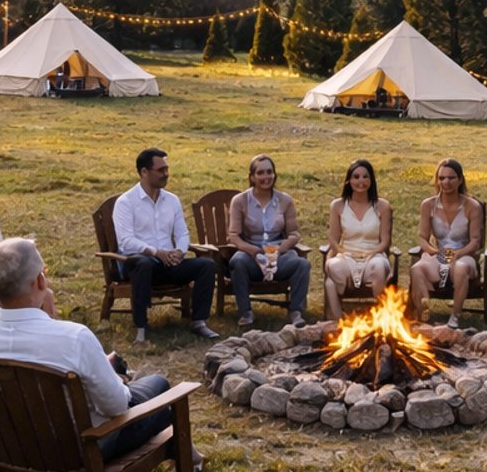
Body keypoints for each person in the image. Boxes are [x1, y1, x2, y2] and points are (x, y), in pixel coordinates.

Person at [0, 238, 198, 470]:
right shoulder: (73, 337)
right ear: (40, 281)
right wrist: (117, 382)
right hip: (80, 451)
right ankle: (191, 459)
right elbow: (117, 406)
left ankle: (192, 456)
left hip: (9, 449)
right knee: (158, 386)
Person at [114, 147, 219, 344]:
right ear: (144, 172)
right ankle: (141, 327)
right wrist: (156, 252)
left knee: (206, 265)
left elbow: (182, 233)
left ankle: (199, 321)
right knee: (143, 264)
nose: (166, 174)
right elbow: (126, 241)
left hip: (168, 263)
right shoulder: (126, 202)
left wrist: (180, 251)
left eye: (167, 169)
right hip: (138, 263)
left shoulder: (172, 200)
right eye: (160, 170)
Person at [225, 154, 311, 328]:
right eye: (261, 173)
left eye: (269, 172)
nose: (266, 177)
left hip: (279, 252)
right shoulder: (240, 201)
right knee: (237, 261)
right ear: (252, 177)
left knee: (302, 264)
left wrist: (280, 249)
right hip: (252, 254)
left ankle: (296, 311)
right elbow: (233, 235)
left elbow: (294, 233)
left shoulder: (285, 200)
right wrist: (254, 251)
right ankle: (246, 312)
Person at [406, 159, 484, 327]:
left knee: (461, 268)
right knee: (417, 268)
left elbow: (475, 241)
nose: (446, 182)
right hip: (439, 253)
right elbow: (422, 237)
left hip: (463, 254)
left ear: (460, 180)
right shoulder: (428, 205)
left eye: (451, 178)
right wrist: (432, 251)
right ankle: (422, 315)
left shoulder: (472, 206)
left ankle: (454, 317)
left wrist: (458, 254)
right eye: (441, 178)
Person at [324, 158, 394, 316]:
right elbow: (333, 240)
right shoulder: (338, 205)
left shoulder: (382, 206)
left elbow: (385, 241)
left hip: (373, 254)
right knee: (334, 267)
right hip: (347, 254)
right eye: (356, 177)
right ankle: (337, 321)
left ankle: (383, 317)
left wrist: (371, 253)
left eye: (365, 176)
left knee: (380, 266)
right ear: (349, 180)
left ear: (371, 180)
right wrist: (342, 252)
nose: (361, 181)